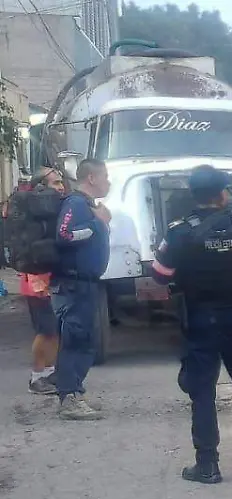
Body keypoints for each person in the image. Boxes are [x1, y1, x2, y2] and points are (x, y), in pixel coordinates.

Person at [152, 166, 232, 484]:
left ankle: (207, 465)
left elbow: (160, 275)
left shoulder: (179, 231)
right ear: (222, 193)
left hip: (200, 320)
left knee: (202, 393)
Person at [51, 158, 111, 421]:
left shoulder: (87, 205)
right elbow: (63, 235)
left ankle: (76, 391)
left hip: (87, 282)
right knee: (74, 339)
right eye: (105, 177)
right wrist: (97, 225)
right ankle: (68, 398)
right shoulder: (75, 203)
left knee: (86, 341)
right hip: (74, 283)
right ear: (91, 178)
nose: (108, 182)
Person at [7, 168, 67, 395]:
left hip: (45, 280)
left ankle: (49, 374)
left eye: (62, 182)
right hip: (37, 282)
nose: (61, 187)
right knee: (46, 330)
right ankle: (37, 377)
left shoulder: (45, 208)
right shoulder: (37, 208)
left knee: (53, 330)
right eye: (56, 183)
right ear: (41, 186)